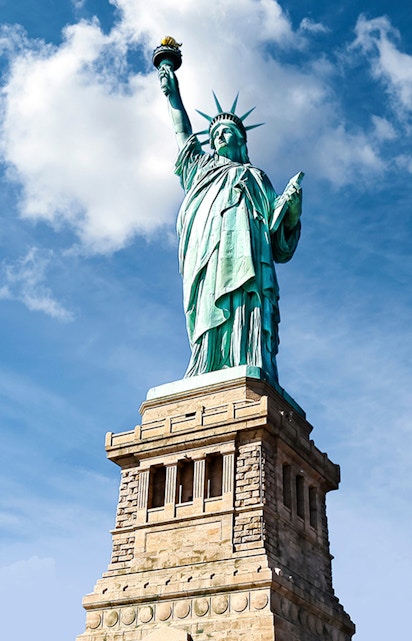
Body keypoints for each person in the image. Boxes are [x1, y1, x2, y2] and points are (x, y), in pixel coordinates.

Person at [158, 63, 302, 381]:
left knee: (245, 299)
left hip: (247, 256)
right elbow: (183, 133)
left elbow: (278, 234)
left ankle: (245, 357)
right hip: (206, 252)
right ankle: (206, 362)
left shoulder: (256, 177)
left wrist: (290, 209)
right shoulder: (201, 169)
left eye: (229, 132)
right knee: (209, 304)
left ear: (241, 141)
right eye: (215, 133)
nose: (221, 136)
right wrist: (172, 96)